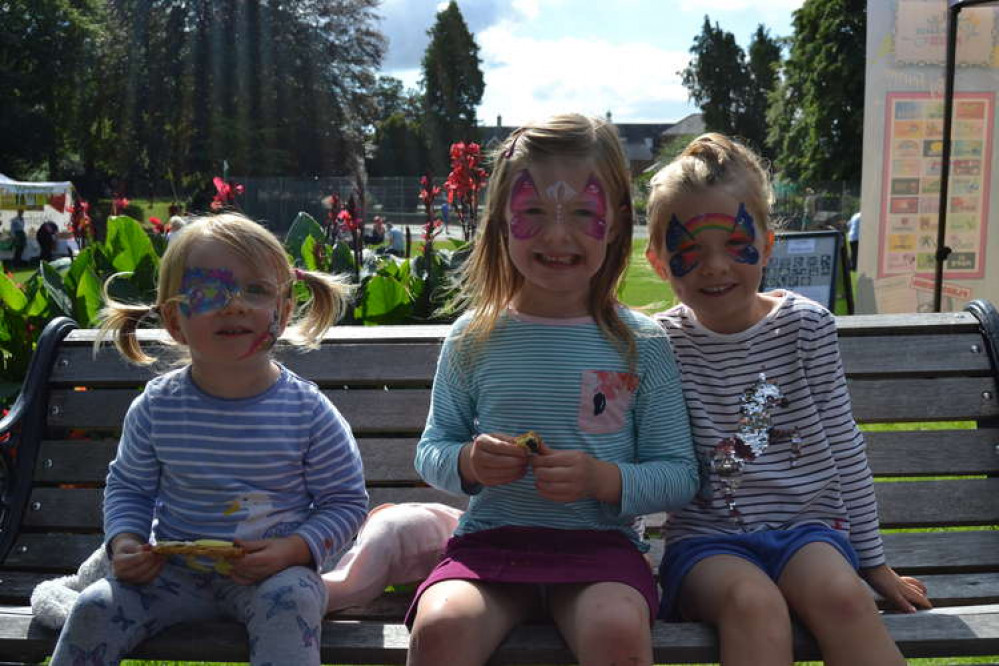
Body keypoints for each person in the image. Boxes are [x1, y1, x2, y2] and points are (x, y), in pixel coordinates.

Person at [407, 113, 700, 666]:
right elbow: (432, 450)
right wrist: (468, 462)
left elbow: (678, 474)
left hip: (601, 551)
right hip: (492, 544)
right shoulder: (474, 337)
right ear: (500, 219)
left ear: (614, 224)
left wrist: (603, 479)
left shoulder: (641, 343)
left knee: (616, 631)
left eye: (583, 213)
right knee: (442, 627)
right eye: (533, 212)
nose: (557, 235)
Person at [644, 133, 931, 666]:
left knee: (843, 598)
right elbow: (642, 455)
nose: (715, 267)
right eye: (690, 251)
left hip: (807, 531)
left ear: (768, 246)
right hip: (708, 544)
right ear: (659, 261)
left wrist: (872, 563)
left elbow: (845, 447)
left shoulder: (806, 326)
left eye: (736, 245)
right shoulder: (657, 345)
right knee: (754, 605)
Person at [49, 212, 369, 666]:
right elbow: (129, 488)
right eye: (208, 291)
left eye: (255, 290)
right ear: (175, 322)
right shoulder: (158, 407)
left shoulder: (307, 413)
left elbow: (345, 503)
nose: (234, 305)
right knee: (94, 607)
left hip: (271, 574)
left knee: (294, 599)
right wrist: (125, 541)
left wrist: (294, 549)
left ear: (283, 310)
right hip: (171, 573)